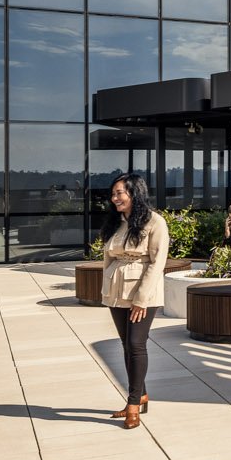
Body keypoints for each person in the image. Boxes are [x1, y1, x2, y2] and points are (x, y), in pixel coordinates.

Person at [100, 173, 168, 430]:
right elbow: (109, 258)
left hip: (142, 293)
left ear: (134, 193)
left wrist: (141, 299)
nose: (114, 198)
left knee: (135, 344)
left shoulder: (154, 222)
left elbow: (157, 262)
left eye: (120, 193)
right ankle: (141, 395)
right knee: (126, 346)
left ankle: (132, 405)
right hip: (117, 292)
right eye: (113, 193)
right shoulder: (117, 222)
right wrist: (106, 288)